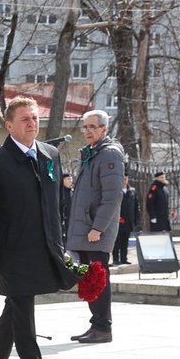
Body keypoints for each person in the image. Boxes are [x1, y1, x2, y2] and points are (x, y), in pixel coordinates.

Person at [0, 96, 71, 359]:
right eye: (24, 118)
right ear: (9, 125)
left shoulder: (50, 155)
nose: (32, 122)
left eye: (35, 117)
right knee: (24, 316)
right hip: (12, 253)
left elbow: (56, 207)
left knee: (15, 310)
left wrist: (61, 247)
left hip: (44, 247)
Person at [68, 108, 123, 344]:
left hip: (95, 230)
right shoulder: (92, 153)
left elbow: (112, 197)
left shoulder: (109, 154)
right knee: (89, 278)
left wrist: (98, 228)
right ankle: (96, 325)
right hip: (85, 228)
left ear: (104, 129)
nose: (87, 131)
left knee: (98, 277)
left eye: (93, 127)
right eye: (85, 127)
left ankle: (103, 327)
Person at [111, 175, 136, 266]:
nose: (124, 180)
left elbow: (136, 207)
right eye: (122, 178)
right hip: (118, 221)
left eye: (126, 178)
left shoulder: (132, 191)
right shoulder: (115, 191)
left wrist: (135, 220)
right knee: (117, 242)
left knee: (125, 242)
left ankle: (124, 258)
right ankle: (115, 259)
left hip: (128, 221)